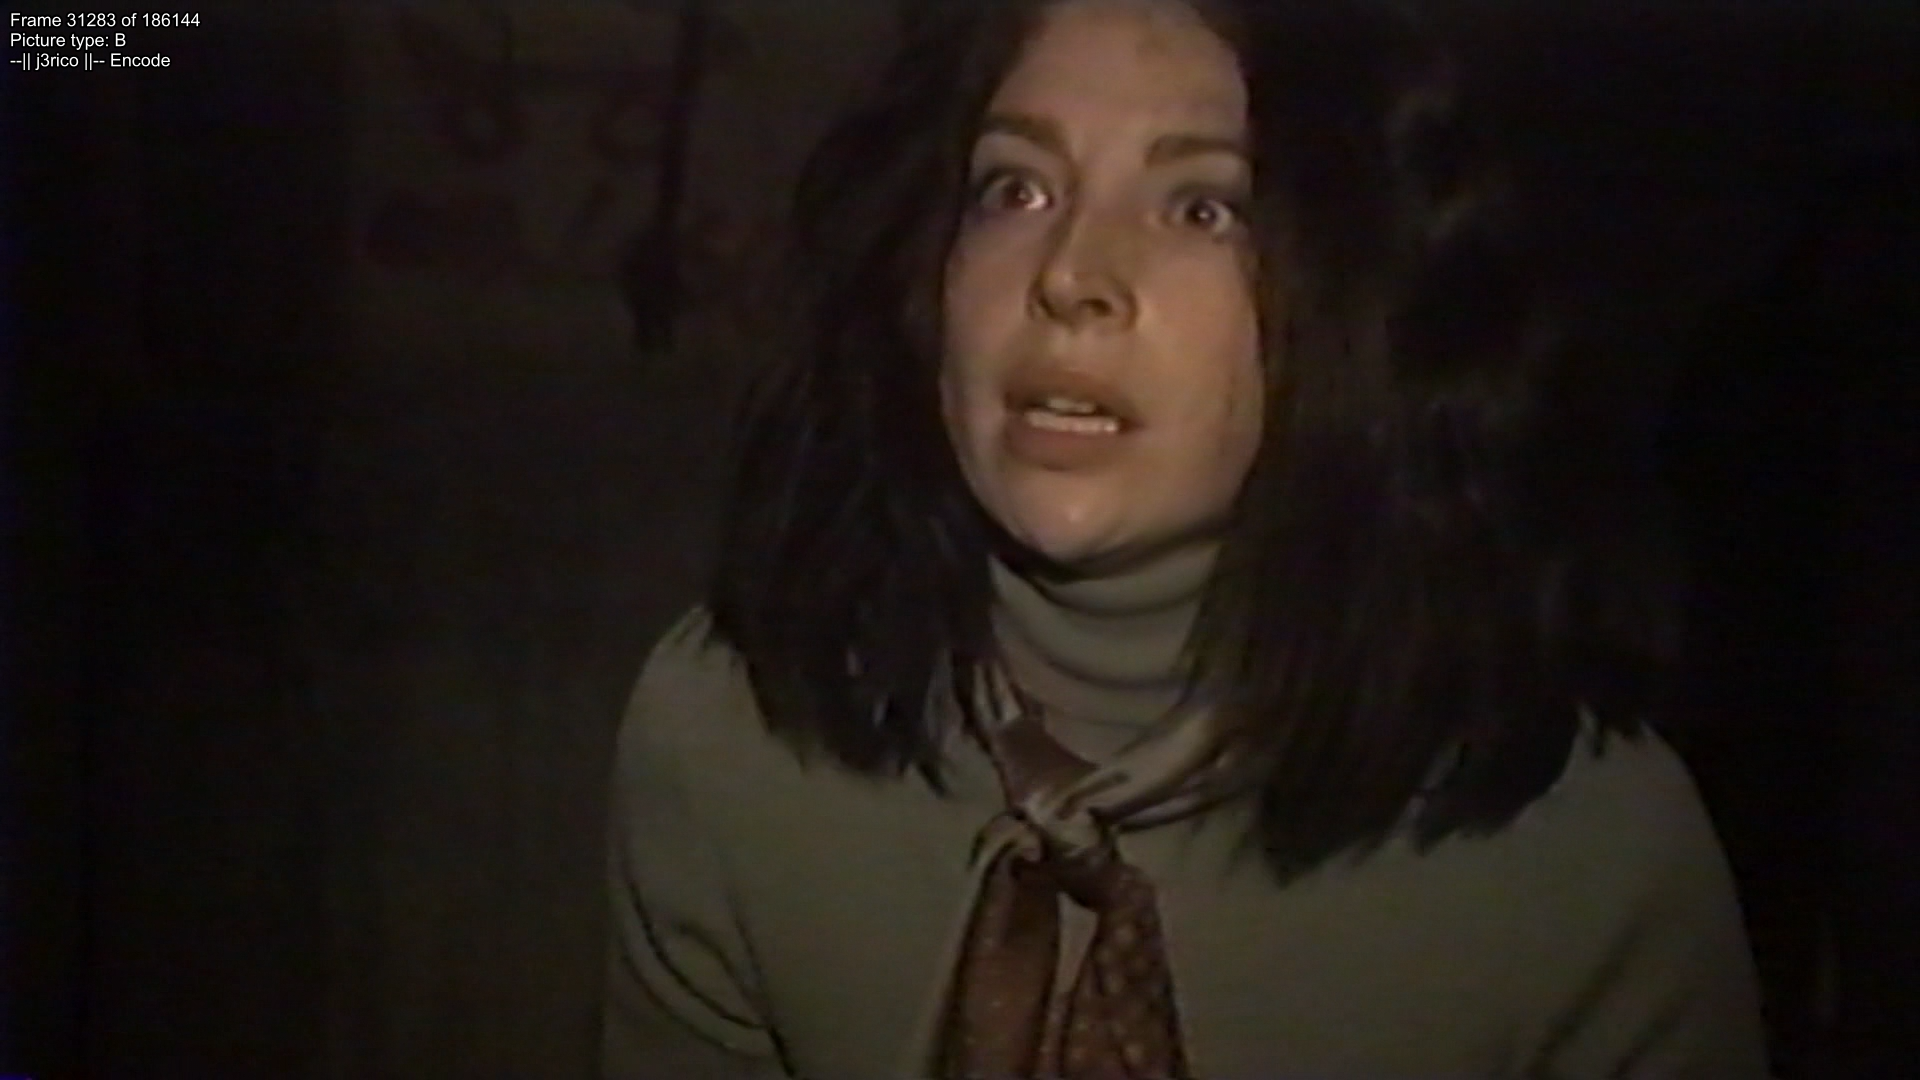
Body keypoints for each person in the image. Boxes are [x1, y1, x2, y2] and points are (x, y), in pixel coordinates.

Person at [600, 0, 1770, 1076]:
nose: (1071, 276)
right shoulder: (724, 746)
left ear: (1363, 293)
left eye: (1201, 208)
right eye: (1015, 189)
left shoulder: (1589, 862)